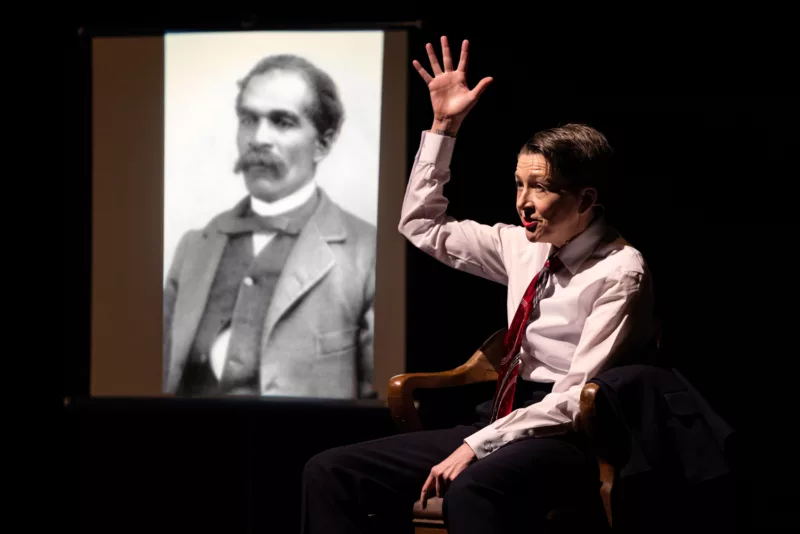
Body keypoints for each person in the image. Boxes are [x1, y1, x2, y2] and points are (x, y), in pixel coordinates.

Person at [300, 37, 655, 533]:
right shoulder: (522, 246)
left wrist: (475, 446)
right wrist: (444, 128)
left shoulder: (620, 271)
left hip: (569, 435)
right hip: (499, 418)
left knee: (473, 488)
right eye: (518, 184)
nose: (523, 202)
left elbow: (576, 399)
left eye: (541, 187)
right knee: (331, 471)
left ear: (585, 198)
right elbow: (422, 226)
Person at [162, 54, 377, 400]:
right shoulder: (193, 248)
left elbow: (378, 400)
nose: (258, 138)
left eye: (283, 122)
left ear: (323, 142)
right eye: (248, 119)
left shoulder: (367, 253)